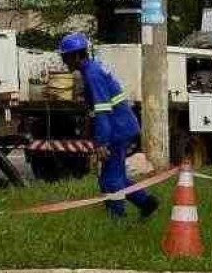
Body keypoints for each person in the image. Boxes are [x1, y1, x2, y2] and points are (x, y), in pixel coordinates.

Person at [58, 31, 159, 220]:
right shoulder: (91, 70)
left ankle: (117, 219)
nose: (64, 61)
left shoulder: (93, 74)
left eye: (66, 56)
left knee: (110, 179)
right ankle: (147, 203)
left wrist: (102, 142)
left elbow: (102, 111)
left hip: (117, 130)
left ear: (77, 55)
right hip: (121, 127)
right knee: (117, 175)